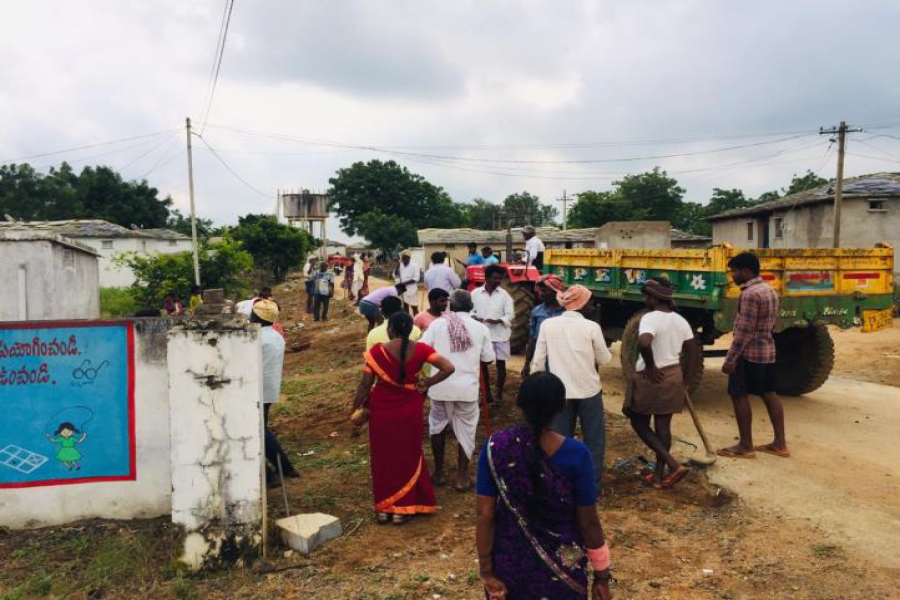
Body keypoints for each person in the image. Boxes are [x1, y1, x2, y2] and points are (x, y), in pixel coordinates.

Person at [476, 372, 613, 600]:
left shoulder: (495, 447)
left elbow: (485, 513)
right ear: (561, 407)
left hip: (510, 568)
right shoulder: (577, 454)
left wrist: (487, 572)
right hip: (563, 570)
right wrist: (602, 576)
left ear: (519, 403)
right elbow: (588, 523)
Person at [351, 312, 455, 524]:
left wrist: (355, 408)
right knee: (409, 454)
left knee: (383, 457)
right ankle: (403, 510)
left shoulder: (376, 351)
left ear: (390, 329)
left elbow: (365, 384)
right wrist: (427, 383)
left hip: (381, 410)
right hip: (410, 409)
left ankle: (384, 509)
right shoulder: (422, 349)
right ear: (409, 330)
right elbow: (448, 367)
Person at [531, 285, 612, 488]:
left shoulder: (548, 325)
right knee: (594, 440)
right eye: (591, 302)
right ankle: (592, 485)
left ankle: (561, 484)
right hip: (589, 391)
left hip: (559, 393)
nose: (593, 305)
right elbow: (605, 359)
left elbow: (538, 362)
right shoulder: (591, 327)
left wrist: (537, 390)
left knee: (560, 439)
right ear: (582, 304)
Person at [623, 278, 697, 489]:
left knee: (638, 422)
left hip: (652, 378)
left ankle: (673, 464)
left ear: (655, 298)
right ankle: (657, 476)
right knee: (663, 426)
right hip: (674, 375)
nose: (645, 300)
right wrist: (686, 381)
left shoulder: (650, 318)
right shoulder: (681, 321)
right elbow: (692, 352)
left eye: (647, 297)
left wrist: (650, 366)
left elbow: (644, 342)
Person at [718, 252, 789, 459]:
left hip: (748, 354)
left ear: (746, 271)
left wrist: (731, 359)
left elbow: (744, 332)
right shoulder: (770, 291)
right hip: (767, 351)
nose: (732, 275)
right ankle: (780, 444)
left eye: (734, 271)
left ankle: (745, 446)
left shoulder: (749, 294)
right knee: (769, 394)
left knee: (738, 394)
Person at [422, 289, 495, 491]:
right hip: (466, 390)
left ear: (450, 306)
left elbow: (422, 349)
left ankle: (439, 473)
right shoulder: (480, 328)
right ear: (471, 307)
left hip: (439, 387)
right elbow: (488, 359)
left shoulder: (437, 324)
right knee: (466, 430)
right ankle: (462, 477)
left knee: (437, 427)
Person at [250, 300, 300, 484]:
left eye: (252, 314)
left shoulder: (256, 338)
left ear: (257, 317)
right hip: (269, 389)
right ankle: (284, 468)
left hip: (256, 390)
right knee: (261, 428)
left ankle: (273, 474)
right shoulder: (276, 336)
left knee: (257, 430)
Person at [472, 264, 514, 405]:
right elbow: (469, 311)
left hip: (500, 335)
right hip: (481, 336)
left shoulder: (504, 295)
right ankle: (487, 394)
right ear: (487, 278)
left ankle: (499, 395)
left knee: (501, 365)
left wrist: (499, 320)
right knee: (482, 365)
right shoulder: (475, 294)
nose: (498, 281)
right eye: (495, 278)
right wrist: (474, 317)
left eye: (500, 279)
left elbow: (510, 314)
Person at [522, 274, 565, 378]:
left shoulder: (567, 312)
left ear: (556, 291)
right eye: (540, 291)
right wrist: (527, 363)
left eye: (545, 291)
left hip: (562, 360)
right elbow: (533, 339)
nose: (541, 294)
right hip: (541, 359)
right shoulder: (537, 311)